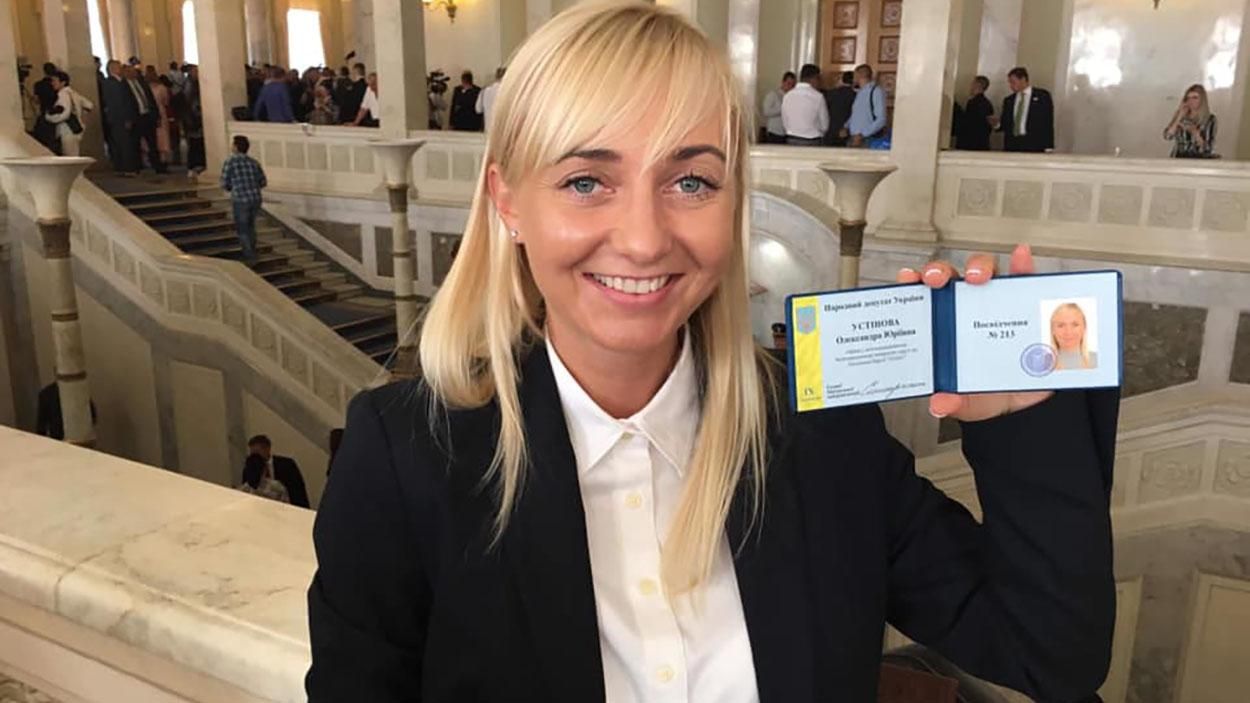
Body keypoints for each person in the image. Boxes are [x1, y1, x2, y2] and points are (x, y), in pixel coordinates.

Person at [305, 4, 1118, 702]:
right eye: (587, 181)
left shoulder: (819, 436)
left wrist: (1020, 417)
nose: (642, 238)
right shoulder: (405, 458)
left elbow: (1049, 653)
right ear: (508, 201)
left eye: (690, 181)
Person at [219, 136, 268, 265]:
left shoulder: (230, 161)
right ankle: (253, 251)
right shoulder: (254, 162)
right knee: (251, 227)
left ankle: (249, 256)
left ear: (235, 147)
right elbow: (263, 182)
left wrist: (232, 187)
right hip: (255, 198)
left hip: (240, 198)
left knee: (242, 229)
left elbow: (224, 183)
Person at [995, 67, 1054, 153]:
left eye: (1013, 82)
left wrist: (1048, 146)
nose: (1010, 86)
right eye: (1009, 82)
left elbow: (1047, 122)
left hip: (1034, 144)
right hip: (1012, 144)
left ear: (1023, 79)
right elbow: (1006, 123)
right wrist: (997, 124)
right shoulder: (1009, 100)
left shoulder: (1042, 96)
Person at [247, 435, 309, 509]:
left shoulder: (287, 465)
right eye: (252, 453)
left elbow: (298, 491)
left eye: (257, 452)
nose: (254, 456)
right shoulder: (250, 468)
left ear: (267, 449)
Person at [100, 60, 140, 175]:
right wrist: (126, 119)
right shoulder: (111, 83)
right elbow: (118, 103)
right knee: (123, 144)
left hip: (122, 118)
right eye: (118, 67)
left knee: (125, 143)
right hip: (119, 119)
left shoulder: (121, 82)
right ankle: (126, 168)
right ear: (112, 69)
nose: (121, 69)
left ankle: (124, 167)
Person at [124, 65, 164, 173]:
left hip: (148, 116)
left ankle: (157, 165)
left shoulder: (142, 83)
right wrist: (128, 119)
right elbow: (123, 104)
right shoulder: (123, 86)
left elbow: (151, 100)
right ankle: (137, 166)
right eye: (130, 71)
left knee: (153, 143)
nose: (134, 73)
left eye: (134, 71)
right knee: (135, 143)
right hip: (136, 118)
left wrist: (157, 116)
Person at [45, 71, 95, 157]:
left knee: (70, 157)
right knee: (74, 155)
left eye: (54, 80)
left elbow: (65, 114)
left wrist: (49, 117)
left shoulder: (63, 94)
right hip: (76, 128)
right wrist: (82, 117)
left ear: (63, 82)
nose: (52, 83)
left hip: (67, 129)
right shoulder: (73, 93)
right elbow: (89, 105)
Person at [1164, 83, 1216, 159]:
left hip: (1198, 158)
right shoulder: (1181, 116)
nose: (1191, 101)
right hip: (1179, 157)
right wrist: (1179, 117)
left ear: (1202, 100)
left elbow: (1208, 148)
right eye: (1188, 98)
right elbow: (1167, 136)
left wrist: (1195, 132)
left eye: (1195, 98)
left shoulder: (1210, 119)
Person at [781, 63, 828, 146]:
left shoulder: (787, 96)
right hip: (812, 140)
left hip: (791, 139)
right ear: (814, 78)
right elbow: (824, 125)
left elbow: (785, 122)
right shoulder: (818, 97)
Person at [846, 63, 888, 147]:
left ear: (859, 75)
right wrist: (846, 126)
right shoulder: (860, 92)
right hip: (854, 138)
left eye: (854, 74)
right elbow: (857, 114)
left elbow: (881, 119)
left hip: (867, 139)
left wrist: (863, 134)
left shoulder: (876, 91)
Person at [1051, 303, 1097, 370]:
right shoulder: (1043, 364)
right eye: (1061, 325)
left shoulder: (1099, 360)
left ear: (1084, 328)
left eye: (1075, 325)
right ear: (1053, 330)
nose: (1068, 331)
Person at [955, 75, 994, 151]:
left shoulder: (973, 103)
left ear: (977, 85)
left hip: (971, 144)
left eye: (972, 83)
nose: (970, 86)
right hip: (982, 144)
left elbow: (969, 124)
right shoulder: (987, 103)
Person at [183, 65, 207, 177]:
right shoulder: (189, 85)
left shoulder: (194, 84)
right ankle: (193, 165)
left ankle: (198, 164)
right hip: (193, 119)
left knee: (197, 143)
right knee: (194, 143)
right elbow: (189, 103)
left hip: (195, 118)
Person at [760, 71, 795, 144]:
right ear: (783, 82)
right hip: (774, 132)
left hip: (787, 133)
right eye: (788, 83)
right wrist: (782, 109)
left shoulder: (792, 98)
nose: (790, 87)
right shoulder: (773, 95)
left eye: (792, 85)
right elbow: (766, 111)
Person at [147, 71, 173, 170]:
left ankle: (162, 158)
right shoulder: (161, 88)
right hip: (157, 112)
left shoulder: (158, 88)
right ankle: (160, 158)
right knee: (159, 136)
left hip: (158, 113)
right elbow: (166, 101)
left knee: (161, 136)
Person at [823, 70, 856, 146]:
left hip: (829, 131)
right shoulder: (855, 96)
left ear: (842, 80)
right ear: (854, 81)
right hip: (846, 132)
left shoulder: (830, 93)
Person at [31, 62, 59, 151]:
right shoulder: (56, 85)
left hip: (44, 113)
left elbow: (36, 100)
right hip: (57, 114)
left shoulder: (38, 85)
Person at [476, 66, 505, 130]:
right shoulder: (507, 91)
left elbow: (478, 109)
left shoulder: (484, 91)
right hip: (502, 129)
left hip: (488, 128)